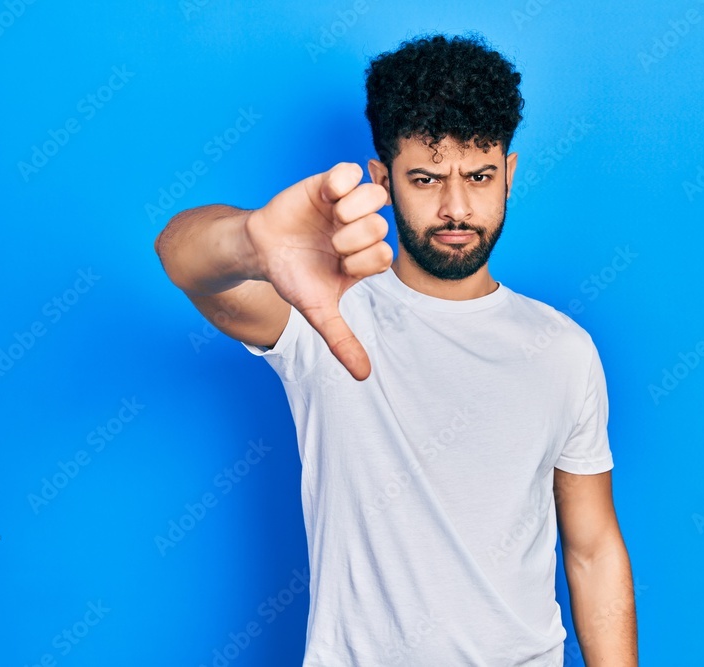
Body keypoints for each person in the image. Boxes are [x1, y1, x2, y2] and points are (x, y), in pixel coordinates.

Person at [154, 32, 637, 666]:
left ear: (509, 175)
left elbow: (593, 546)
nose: (457, 207)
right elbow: (181, 257)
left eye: (480, 176)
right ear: (383, 178)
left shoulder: (563, 350)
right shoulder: (325, 312)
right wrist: (251, 239)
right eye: (427, 178)